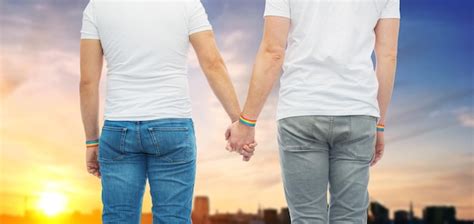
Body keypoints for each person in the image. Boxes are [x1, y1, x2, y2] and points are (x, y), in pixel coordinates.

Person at [227, 0, 400, 223]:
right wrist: (380, 124)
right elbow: (388, 56)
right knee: (350, 218)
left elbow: (273, 51)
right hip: (357, 112)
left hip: (301, 111)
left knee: (307, 218)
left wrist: (247, 122)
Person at [79, 0, 252, 223]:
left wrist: (91, 142)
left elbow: (87, 82)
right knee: (173, 218)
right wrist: (239, 123)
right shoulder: (187, 4)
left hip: (118, 128)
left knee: (118, 218)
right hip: (173, 127)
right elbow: (213, 63)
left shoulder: (97, 7)